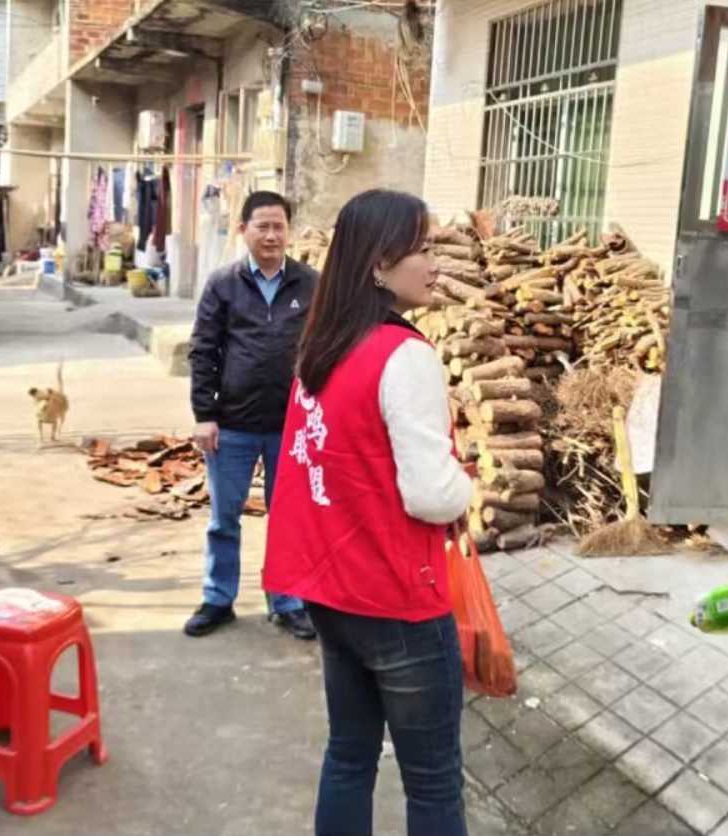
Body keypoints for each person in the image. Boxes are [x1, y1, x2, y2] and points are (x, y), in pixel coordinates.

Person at [264, 189, 473, 836]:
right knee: (434, 783)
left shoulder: (322, 349)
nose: (437, 263)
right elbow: (432, 495)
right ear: (380, 264)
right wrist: (468, 486)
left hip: (330, 591)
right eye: (425, 248)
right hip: (396, 599)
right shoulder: (404, 356)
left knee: (349, 754)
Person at [185, 191, 319, 640]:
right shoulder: (223, 283)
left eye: (279, 225)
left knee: (289, 519)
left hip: (291, 426)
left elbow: (323, 349)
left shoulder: (310, 284)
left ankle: (287, 601)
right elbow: (203, 350)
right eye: (262, 225)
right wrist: (205, 414)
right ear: (244, 230)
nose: (271, 234)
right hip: (234, 425)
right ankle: (218, 599)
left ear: (289, 232)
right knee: (225, 518)